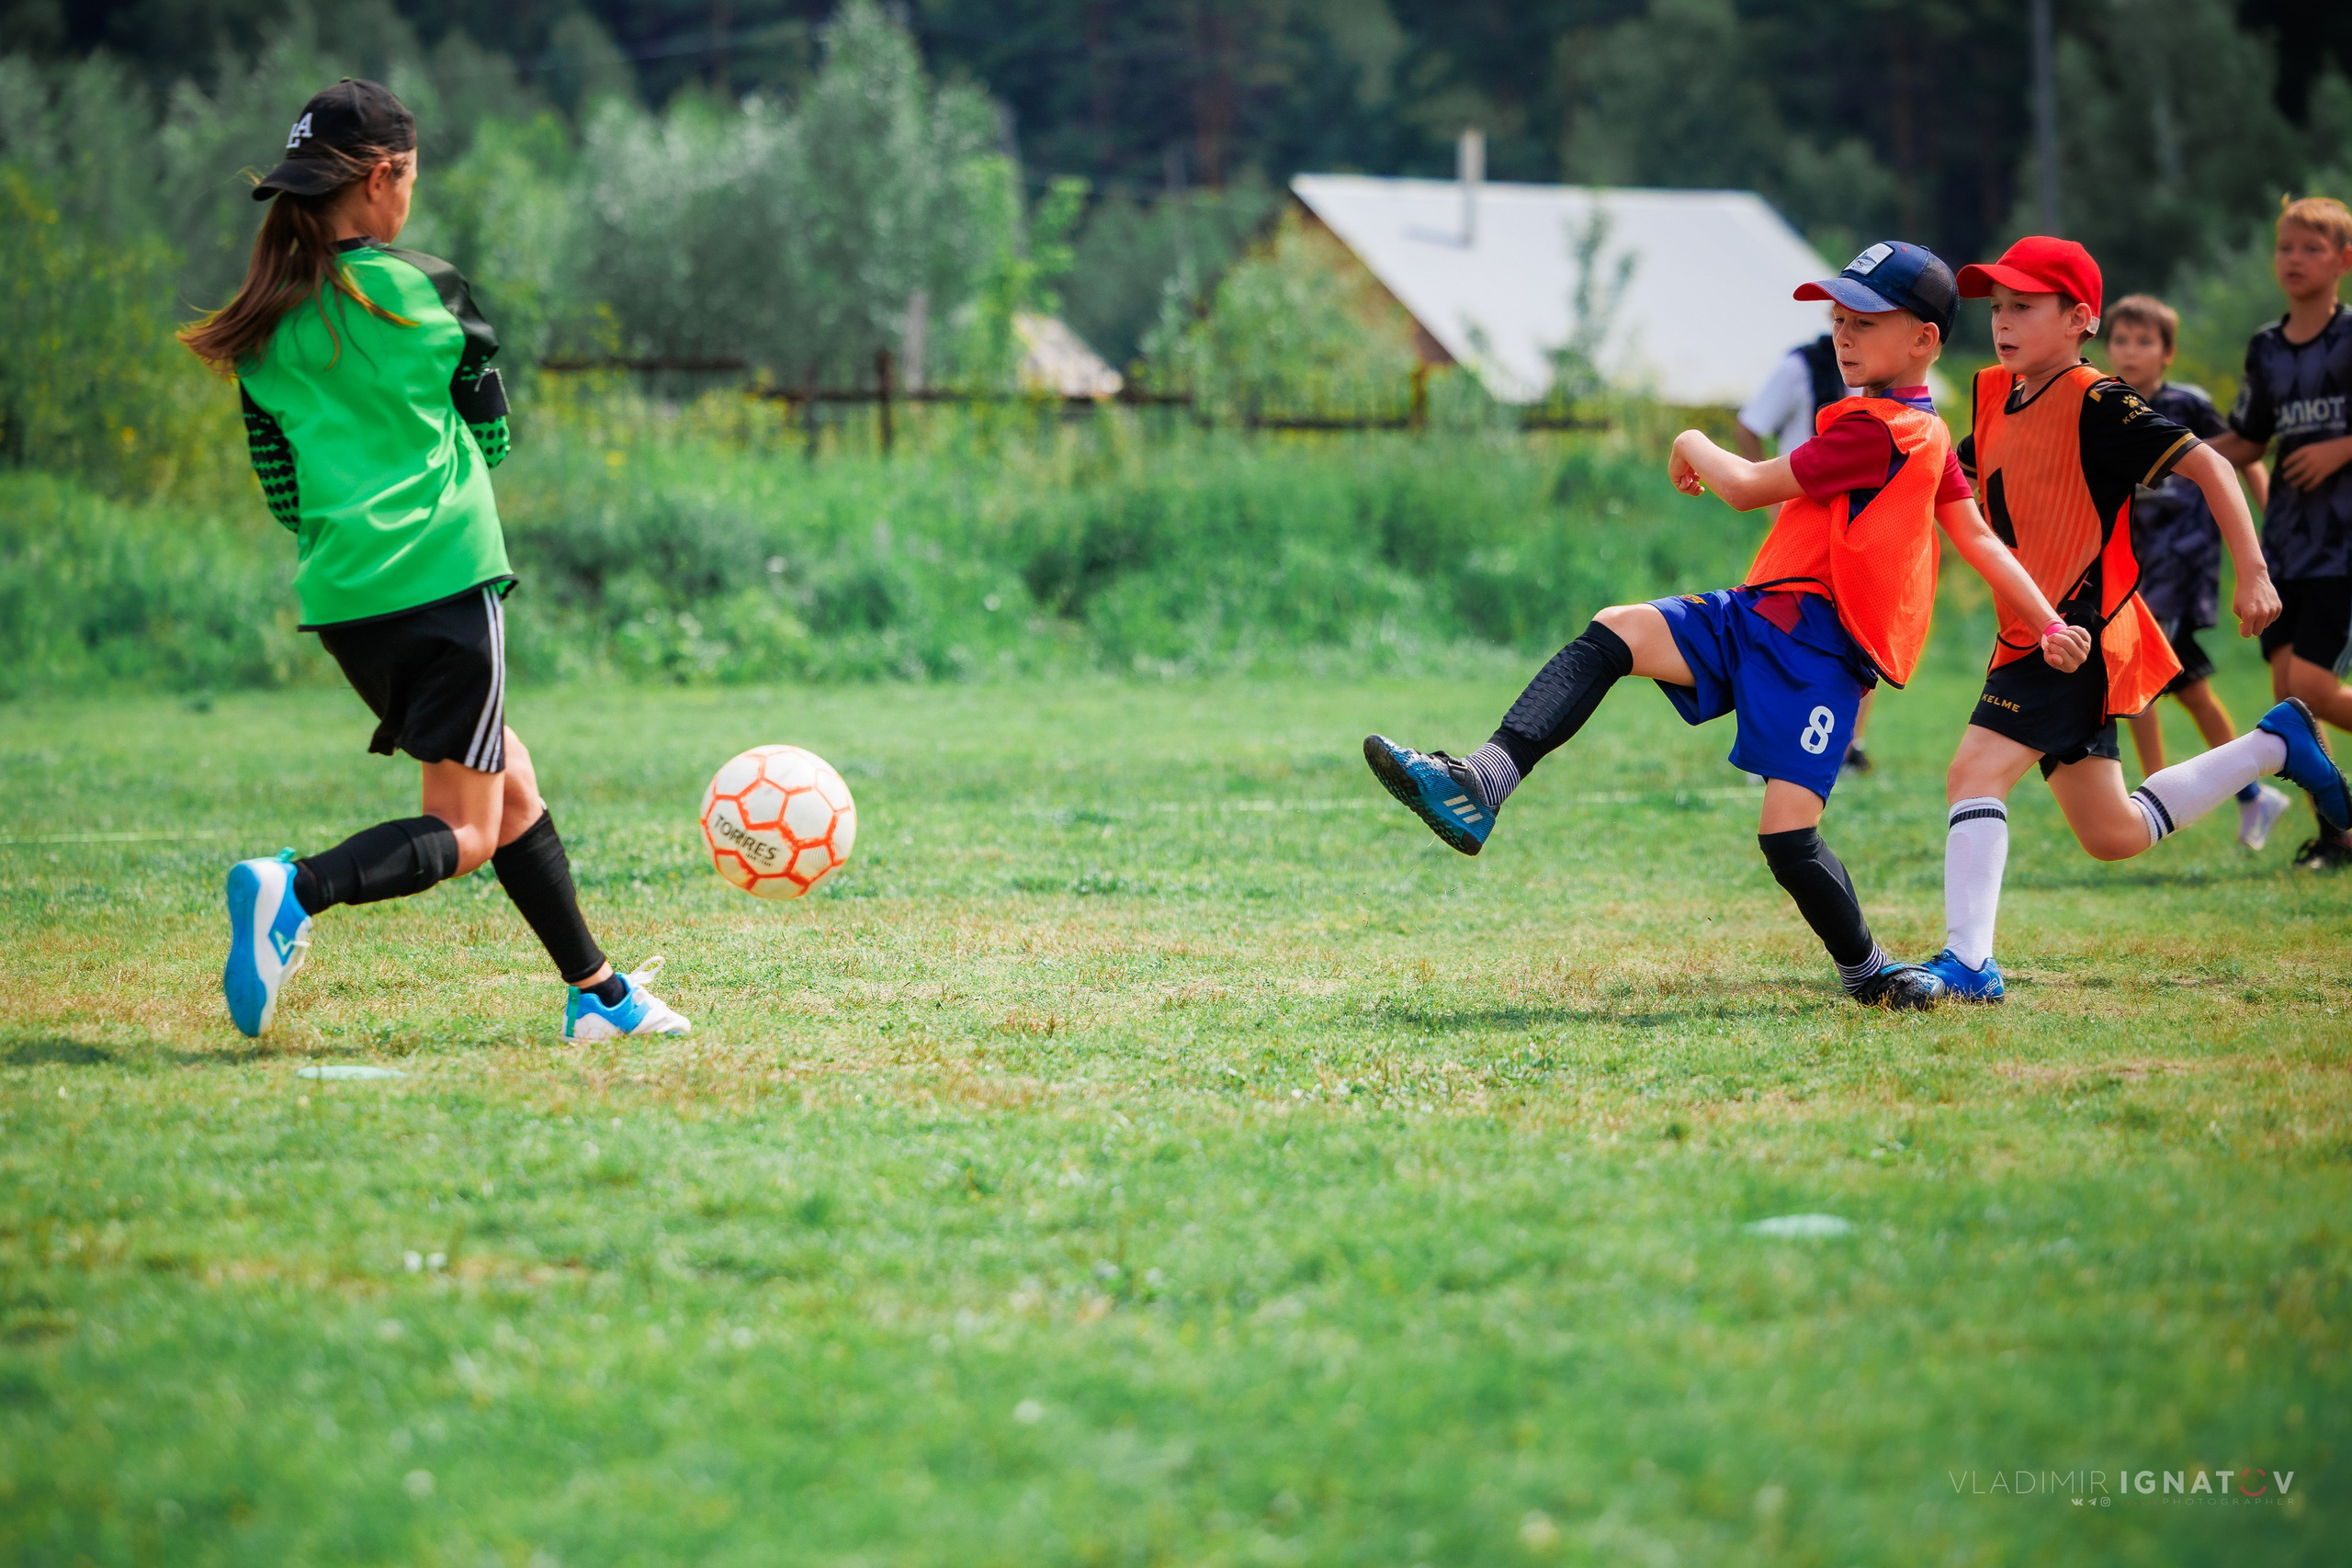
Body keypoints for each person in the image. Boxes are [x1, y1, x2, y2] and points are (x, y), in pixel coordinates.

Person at [1364, 242, 2084, 1011]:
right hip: (1757, 614)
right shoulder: (1921, 429)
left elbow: (1742, 487)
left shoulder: (1879, 431)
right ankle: (1483, 782)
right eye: (1839, 317)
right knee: (1617, 631)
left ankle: (1868, 971)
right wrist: (2046, 620)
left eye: (1866, 320)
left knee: (1787, 841)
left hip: (1819, 654)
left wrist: (1689, 440)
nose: (1843, 333)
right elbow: (1974, 537)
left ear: (1924, 340)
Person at [181, 80, 689, 1042]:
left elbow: (282, 489)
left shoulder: (262, 324)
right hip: (446, 579)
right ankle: (293, 889)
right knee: (464, 830)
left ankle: (600, 996)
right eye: (410, 177)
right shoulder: (432, 288)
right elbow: (491, 440)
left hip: (345, 600)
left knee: (511, 782)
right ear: (382, 179)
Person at [1916, 237, 2349, 1002]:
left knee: (1973, 772)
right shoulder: (1994, 391)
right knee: (2112, 832)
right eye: (1996, 307)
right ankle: (2271, 745)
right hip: (2030, 627)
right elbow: (1958, 482)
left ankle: (1970, 965)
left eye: (2024, 306)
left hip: (2075, 629)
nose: (2003, 322)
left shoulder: (2099, 399)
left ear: (2079, 317)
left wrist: (2253, 571)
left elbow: (2213, 464)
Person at [2102, 293, 2291, 850]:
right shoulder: (2105, 406)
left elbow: (2242, 458)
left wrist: (2268, 532)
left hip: (2182, 568)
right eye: (2120, 340)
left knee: (2131, 680)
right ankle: (2254, 793)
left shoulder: (2189, 406)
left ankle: (2155, 796)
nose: (2130, 351)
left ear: (2167, 353)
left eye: (2144, 342)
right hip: (2133, 569)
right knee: (2189, 689)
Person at [2206, 196, 2352, 872]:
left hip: (2342, 547)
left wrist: (2339, 447)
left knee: (2315, 688)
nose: (2294, 259)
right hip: (2286, 544)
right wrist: (2170, 455)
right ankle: (2338, 836)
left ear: (2344, 261)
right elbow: (2247, 439)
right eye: (2286, 246)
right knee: (2291, 700)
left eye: (2312, 248)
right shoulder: (2266, 346)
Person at [1737, 324, 1881, 775]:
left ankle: (1848, 741)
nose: (1851, 330)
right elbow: (1749, 426)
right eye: (1843, 316)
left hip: (1863, 527)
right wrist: (1769, 494)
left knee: (1864, 631)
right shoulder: (1800, 365)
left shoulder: (1891, 376)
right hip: (1803, 523)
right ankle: (1777, 740)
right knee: (1790, 629)